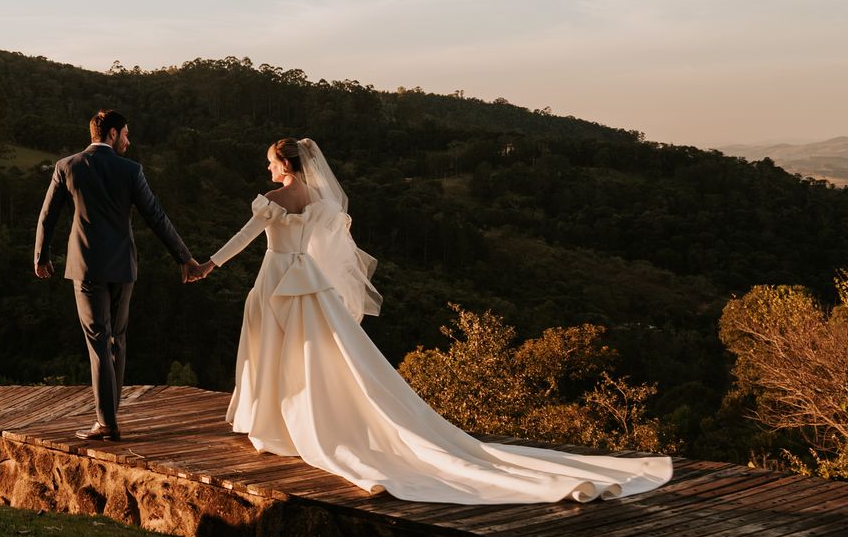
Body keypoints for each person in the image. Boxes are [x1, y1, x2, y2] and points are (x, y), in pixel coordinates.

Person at [189, 137, 672, 503]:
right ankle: (287, 425)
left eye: (271, 161)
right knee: (319, 356)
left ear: (285, 165)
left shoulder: (270, 201)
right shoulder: (320, 201)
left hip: (276, 277)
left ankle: (275, 426)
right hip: (308, 278)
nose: (266, 168)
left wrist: (207, 265)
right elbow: (332, 246)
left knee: (274, 349)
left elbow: (244, 237)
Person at [34, 110, 198, 442]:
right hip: (123, 269)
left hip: (87, 268)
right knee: (116, 341)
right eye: (125, 133)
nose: (128, 139)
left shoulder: (68, 166)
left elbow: (48, 215)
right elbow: (156, 216)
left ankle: (107, 423)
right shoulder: (131, 170)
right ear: (111, 134)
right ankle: (110, 415)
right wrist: (184, 257)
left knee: (98, 342)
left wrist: (41, 256)